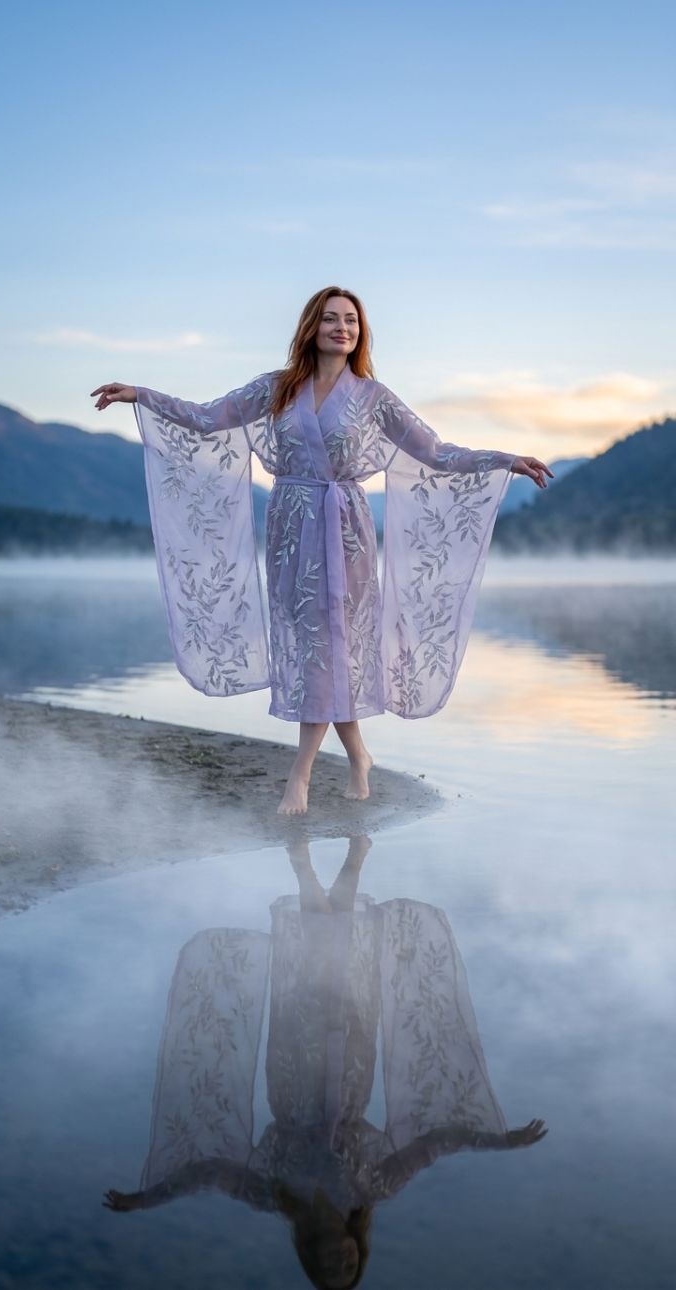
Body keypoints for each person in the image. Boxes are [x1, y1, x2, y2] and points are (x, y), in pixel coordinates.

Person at [91, 287, 552, 815]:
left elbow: (437, 453)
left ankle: (301, 776)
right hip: (292, 527)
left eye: (351, 320)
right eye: (331, 318)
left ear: (361, 331)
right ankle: (359, 756)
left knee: (331, 648)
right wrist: (142, 396)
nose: (342, 328)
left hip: (347, 529)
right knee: (316, 649)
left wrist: (505, 460)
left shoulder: (373, 398)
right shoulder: (275, 390)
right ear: (311, 326)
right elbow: (206, 418)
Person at [103, 835, 547, 1289]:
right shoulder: (374, 1188)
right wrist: (499, 1141)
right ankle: (317, 864)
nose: (340, 1259)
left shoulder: (272, 1196)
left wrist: (147, 1200)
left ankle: (329, 862)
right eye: (350, 1266)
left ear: (311, 1257)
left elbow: (209, 1171)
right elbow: (435, 1142)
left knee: (323, 951)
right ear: (358, 1250)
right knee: (336, 951)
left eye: (329, 1268)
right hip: (351, 1062)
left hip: (292, 1068)